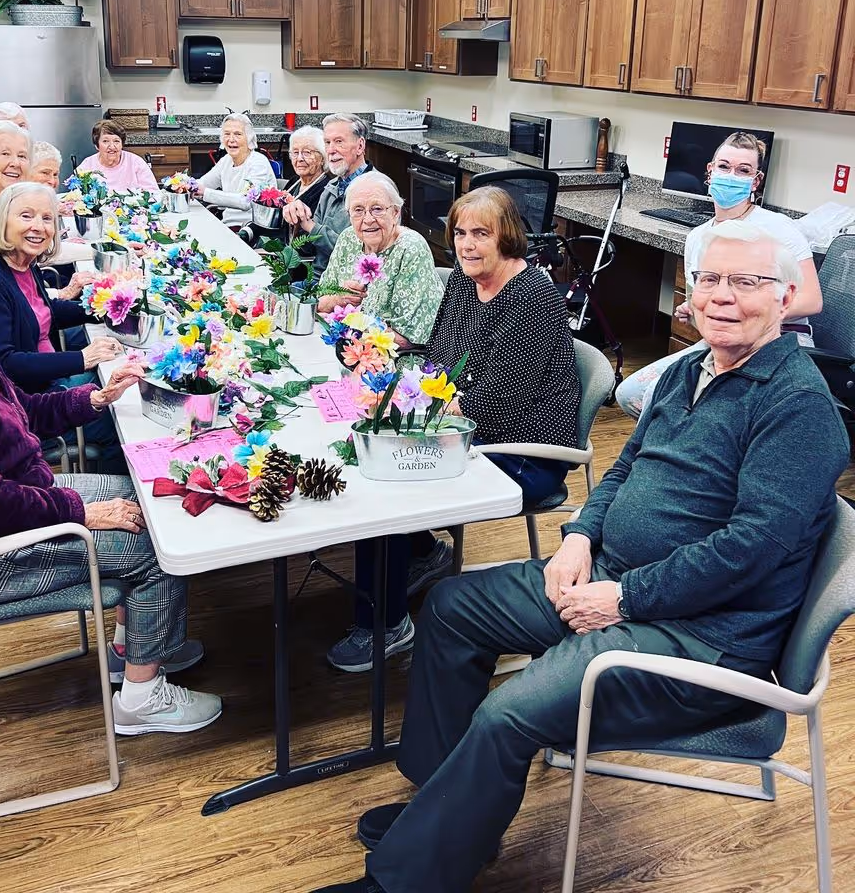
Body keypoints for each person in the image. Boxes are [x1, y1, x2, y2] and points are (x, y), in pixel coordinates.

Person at [315, 220, 850, 893]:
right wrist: (579, 536)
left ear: (788, 294)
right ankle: (448, 812)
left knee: (510, 712)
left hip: (697, 636)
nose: (720, 297)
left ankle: (409, 880)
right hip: (612, 577)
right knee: (453, 608)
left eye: (745, 282)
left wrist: (626, 597)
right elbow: (624, 468)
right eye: (709, 279)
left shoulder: (798, 408)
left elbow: (750, 551)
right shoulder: (693, 366)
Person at [0, 220, 222, 736]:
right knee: (161, 543)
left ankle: (130, 650)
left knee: (147, 499)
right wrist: (82, 512)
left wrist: (94, 397)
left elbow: (18, 411)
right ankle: (141, 699)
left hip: (13, 504)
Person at [326, 187, 579, 675]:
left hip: (525, 450)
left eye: (481, 233)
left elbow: (499, 402)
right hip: (466, 426)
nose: (467, 244)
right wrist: (390, 380)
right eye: (461, 232)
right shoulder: (466, 283)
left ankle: (386, 624)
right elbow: (439, 358)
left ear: (507, 236)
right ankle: (421, 552)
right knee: (373, 447)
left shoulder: (533, 298)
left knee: (391, 478)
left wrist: (408, 411)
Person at [616, 131, 823, 418]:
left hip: (777, 342)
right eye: (724, 167)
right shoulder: (698, 238)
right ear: (710, 172)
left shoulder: (778, 229)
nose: (731, 175)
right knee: (634, 395)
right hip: (723, 346)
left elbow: (812, 301)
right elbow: (704, 308)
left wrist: (742, 311)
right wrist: (697, 308)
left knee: (701, 413)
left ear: (756, 181)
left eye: (743, 170)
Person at [0, 183, 127, 470]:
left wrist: (102, 310)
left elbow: (45, 313)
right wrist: (83, 358)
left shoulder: (23, 264)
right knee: (121, 419)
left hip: (49, 381)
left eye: (47, 218)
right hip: (32, 404)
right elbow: (3, 363)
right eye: (26, 216)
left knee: (125, 378)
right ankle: (114, 497)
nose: (38, 226)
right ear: (3, 222)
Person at [317, 172, 443, 347]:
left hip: (392, 361)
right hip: (342, 345)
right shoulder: (348, 238)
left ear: (395, 213)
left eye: (377, 209)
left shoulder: (410, 248)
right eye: (358, 210)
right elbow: (320, 303)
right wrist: (338, 299)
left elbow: (409, 339)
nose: (368, 220)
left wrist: (352, 328)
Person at [282, 113, 375, 273]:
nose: (331, 150)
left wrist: (311, 226)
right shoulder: (332, 186)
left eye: (339, 142)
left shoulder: (374, 190)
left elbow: (358, 254)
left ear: (360, 146)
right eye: (327, 142)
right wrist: (299, 219)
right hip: (317, 281)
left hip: (347, 290)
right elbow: (309, 247)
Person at [195, 113, 277, 229]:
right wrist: (185, 185)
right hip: (227, 224)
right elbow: (204, 183)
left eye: (238, 134)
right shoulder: (226, 160)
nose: (231, 140)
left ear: (249, 138)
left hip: (250, 229)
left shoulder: (258, 163)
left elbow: (246, 201)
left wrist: (205, 193)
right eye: (227, 134)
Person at [27, 142, 93, 267]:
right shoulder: (22, 206)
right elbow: (47, 254)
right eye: (45, 173)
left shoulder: (39, 201)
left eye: (55, 174)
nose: (52, 181)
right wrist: (100, 250)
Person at [78, 120, 159, 193]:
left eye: (116, 141)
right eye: (105, 141)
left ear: (122, 144)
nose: (112, 147)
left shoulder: (136, 162)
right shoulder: (87, 165)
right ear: (97, 145)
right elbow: (75, 196)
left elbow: (154, 193)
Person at [285, 125, 329, 216]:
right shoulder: (294, 181)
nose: (299, 158)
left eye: (307, 152)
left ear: (322, 158)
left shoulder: (325, 190)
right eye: (295, 152)